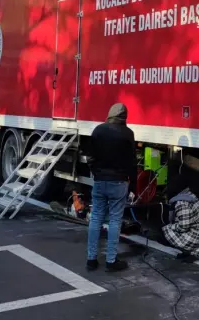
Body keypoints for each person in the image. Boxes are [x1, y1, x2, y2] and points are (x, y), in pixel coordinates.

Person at [86, 103, 136, 273]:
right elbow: (132, 162)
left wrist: (96, 173)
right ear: (124, 117)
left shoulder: (98, 130)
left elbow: (90, 157)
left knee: (96, 218)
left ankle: (91, 259)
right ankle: (111, 261)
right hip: (119, 182)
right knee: (115, 220)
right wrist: (133, 185)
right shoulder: (128, 133)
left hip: (100, 181)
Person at [161, 169, 199, 260]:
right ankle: (189, 252)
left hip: (197, 236)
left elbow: (184, 226)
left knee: (166, 230)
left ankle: (190, 251)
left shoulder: (182, 202)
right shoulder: (189, 195)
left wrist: (170, 226)